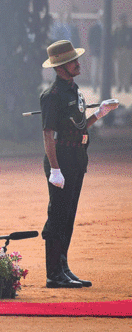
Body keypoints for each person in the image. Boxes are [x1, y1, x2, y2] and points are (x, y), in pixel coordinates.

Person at [40, 40, 119, 288]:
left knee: (69, 216)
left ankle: (63, 266)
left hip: (76, 158)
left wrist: (99, 114)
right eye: (73, 61)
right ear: (61, 67)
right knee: (58, 216)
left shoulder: (74, 90)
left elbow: (78, 126)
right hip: (61, 159)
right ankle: (54, 273)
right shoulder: (52, 96)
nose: (78, 63)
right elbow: (48, 135)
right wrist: (54, 168)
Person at [113, 14, 132, 93]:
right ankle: (119, 86)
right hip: (119, 50)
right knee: (118, 70)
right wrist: (114, 52)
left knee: (127, 69)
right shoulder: (116, 30)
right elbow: (113, 41)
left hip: (127, 50)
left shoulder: (129, 29)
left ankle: (126, 86)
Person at [87, 15, 103, 91]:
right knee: (95, 70)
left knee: (102, 70)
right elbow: (90, 40)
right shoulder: (94, 28)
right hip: (96, 52)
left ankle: (101, 86)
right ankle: (94, 86)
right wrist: (92, 49)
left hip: (104, 52)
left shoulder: (107, 27)